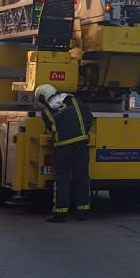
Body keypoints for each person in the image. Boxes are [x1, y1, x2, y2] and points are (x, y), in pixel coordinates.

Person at [37, 84, 94, 223]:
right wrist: (83, 132)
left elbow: (51, 128)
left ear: (43, 97)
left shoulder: (46, 111)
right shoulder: (73, 100)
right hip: (81, 143)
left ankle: (60, 212)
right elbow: (88, 116)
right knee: (82, 176)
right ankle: (83, 211)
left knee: (62, 178)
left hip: (62, 147)